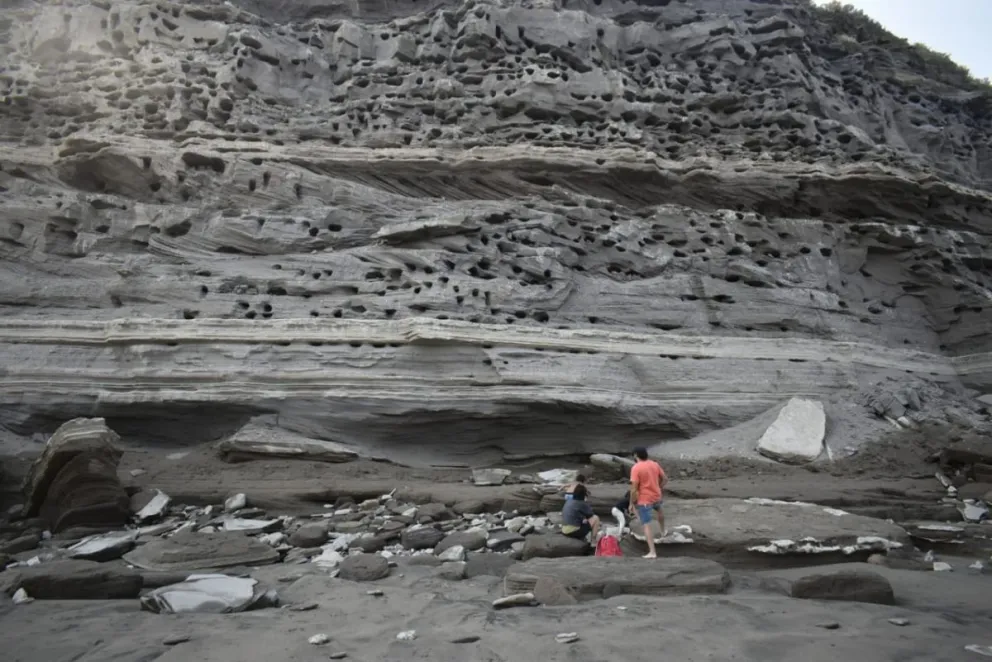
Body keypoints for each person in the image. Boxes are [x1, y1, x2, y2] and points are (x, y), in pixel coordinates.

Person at [628, 447, 667, 559]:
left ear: (635, 455)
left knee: (647, 525)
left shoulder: (636, 468)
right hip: (656, 496)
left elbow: (634, 489)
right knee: (660, 511)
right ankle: (663, 531)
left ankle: (652, 552)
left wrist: (631, 503)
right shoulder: (654, 464)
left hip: (645, 500)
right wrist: (658, 487)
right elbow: (665, 479)